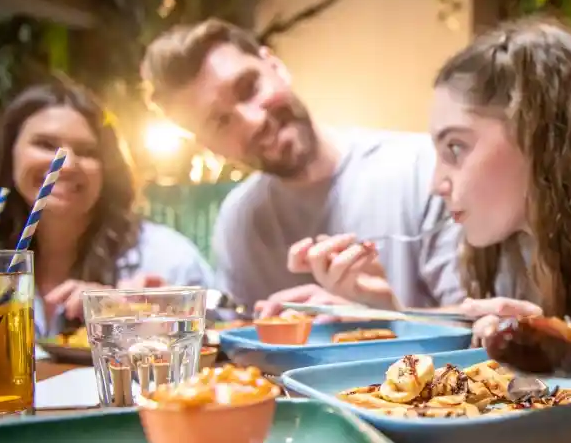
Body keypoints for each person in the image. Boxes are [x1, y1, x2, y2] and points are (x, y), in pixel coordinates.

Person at [292, 17, 571, 360]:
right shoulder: (505, 256)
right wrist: (386, 314)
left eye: (456, 147)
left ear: (539, 138)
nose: (436, 184)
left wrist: (566, 361)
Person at [140, 19, 464, 312]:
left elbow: (483, 324)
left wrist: (390, 316)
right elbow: (239, 343)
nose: (253, 122)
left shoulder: (424, 169)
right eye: (221, 121)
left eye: (249, 88)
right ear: (209, 147)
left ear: (276, 66)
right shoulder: (238, 223)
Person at [0, 83, 214, 336]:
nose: (67, 164)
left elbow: (221, 337)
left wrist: (135, 317)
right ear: (9, 154)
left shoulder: (166, 258)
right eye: (46, 144)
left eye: (86, 151)